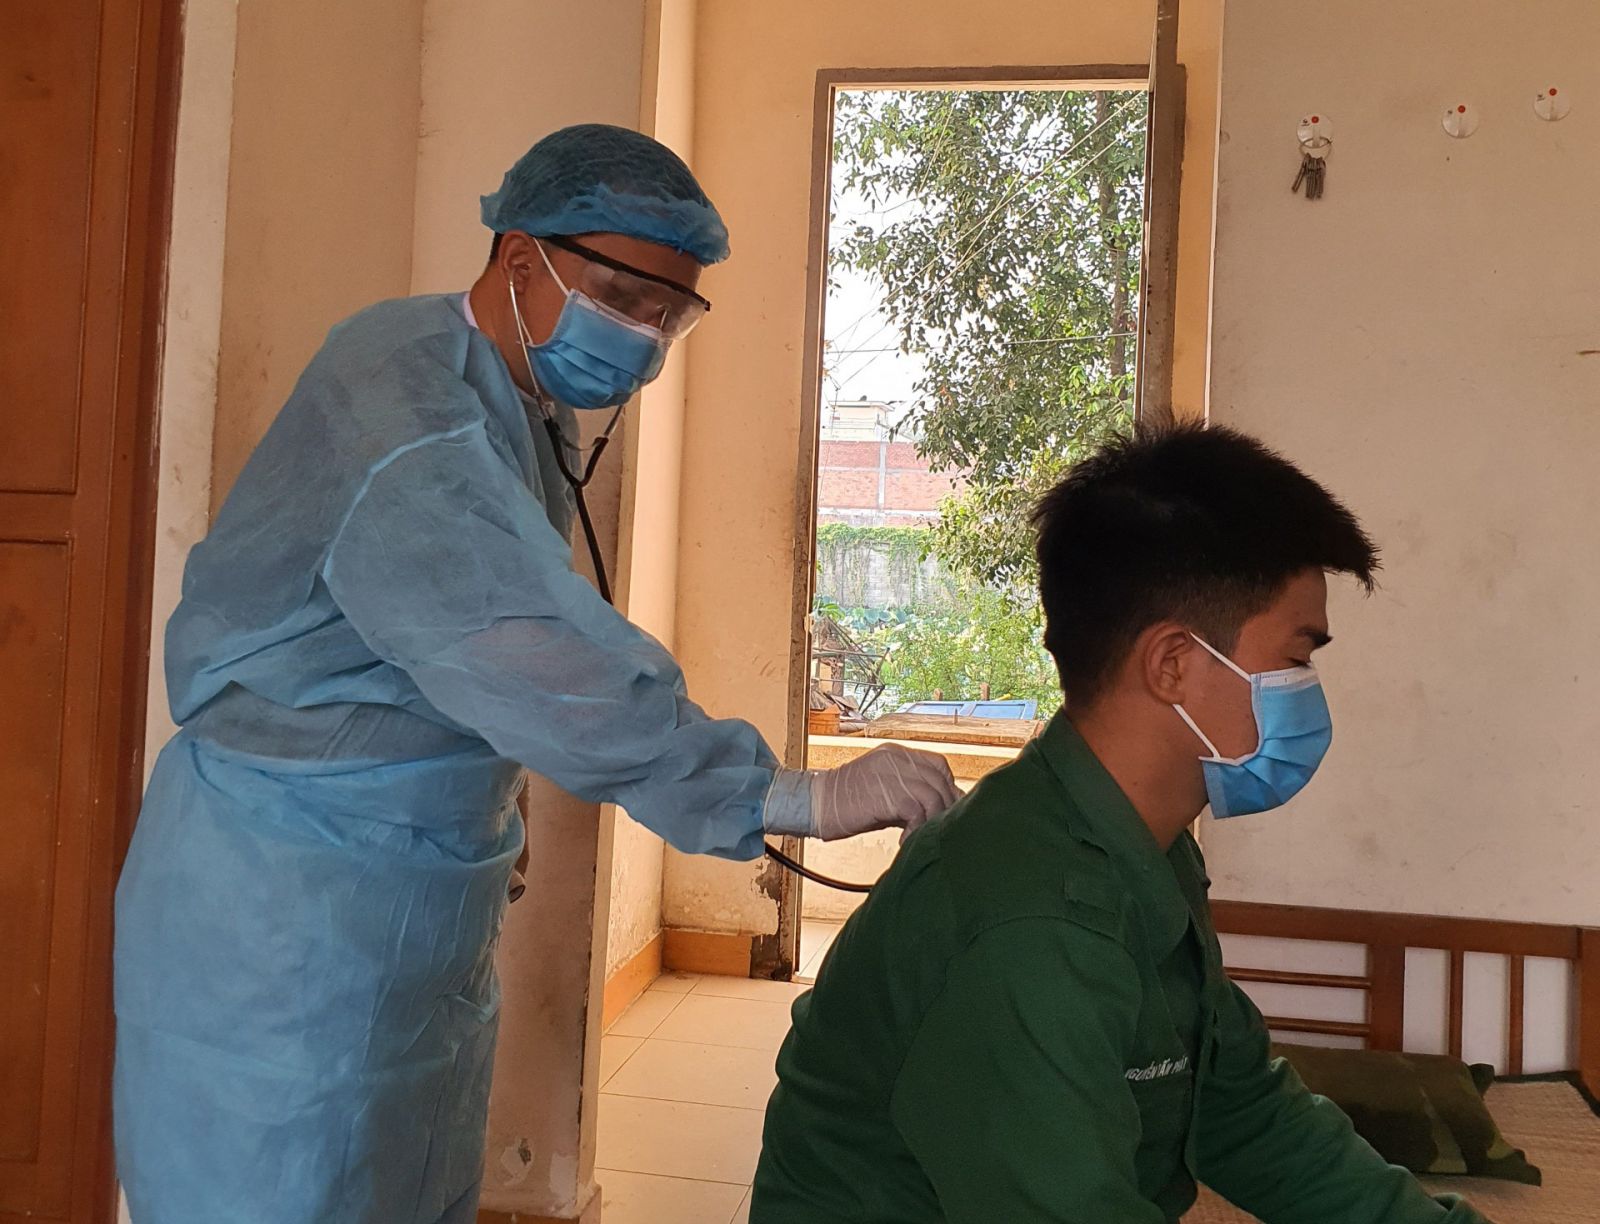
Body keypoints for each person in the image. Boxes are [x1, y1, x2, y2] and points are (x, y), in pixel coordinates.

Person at [113, 124, 956, 1224]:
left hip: (419, 891)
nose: (644, 336)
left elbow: (437, 661)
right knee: (284, 1189)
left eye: (669, 314)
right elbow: (523, 643)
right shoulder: (402, 404)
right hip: (284, 914)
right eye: (624, 297)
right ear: (521, 259)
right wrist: (784, 796)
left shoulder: (513, 404)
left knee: (410, 1183)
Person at [752, 425, 1491, 1224]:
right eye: (1297, 657)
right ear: (1172, 664)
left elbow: (1239, 1109)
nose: (1308, 687)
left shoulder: (1141, 848)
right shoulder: (1032, 922)